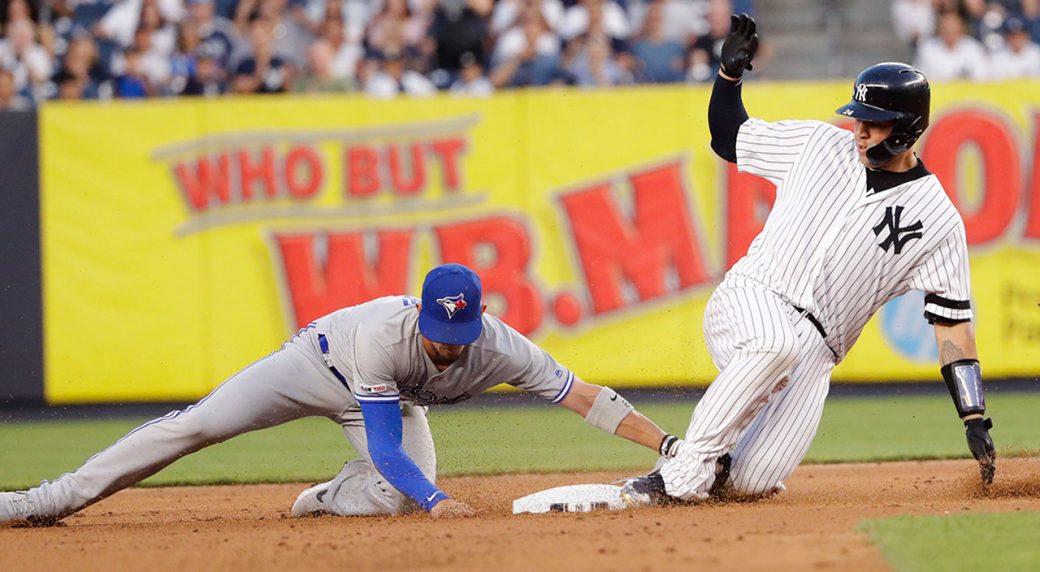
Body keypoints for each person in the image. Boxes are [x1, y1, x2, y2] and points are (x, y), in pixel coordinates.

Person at [621, 14, 996, 506]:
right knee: (773, 345)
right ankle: (676, 476)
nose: (859, 130)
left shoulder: (938, 219)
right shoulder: (819, 144)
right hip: (756, 296)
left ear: (907, 129)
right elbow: (728, 138)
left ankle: (717, 463)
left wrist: (973, 415)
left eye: (873, 122)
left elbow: (953, 325)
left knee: (752, 481)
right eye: (858, 118)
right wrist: (728, 78)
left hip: (819, 351)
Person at [0, 264, 681, 525]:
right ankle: (46, 500)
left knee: (391, 496)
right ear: (421, 313)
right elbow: (384, 441)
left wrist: (670, 445)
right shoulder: (386, 335)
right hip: (317, 364)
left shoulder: (504, 349)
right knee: (201, 425)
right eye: (440, 332)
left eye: (460, 334)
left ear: (480, 321)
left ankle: (325, 498)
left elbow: (585, 397)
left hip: (388, 397)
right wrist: (438, 501)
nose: (450, 345)